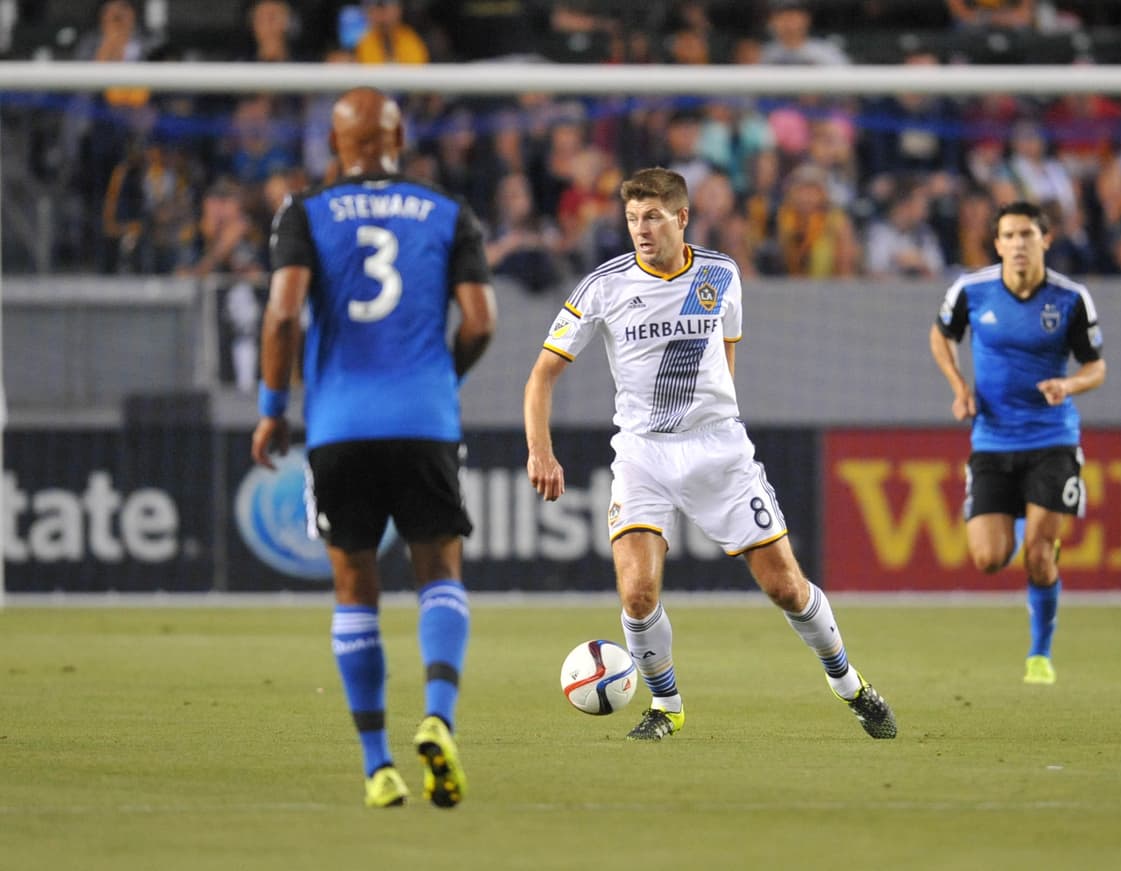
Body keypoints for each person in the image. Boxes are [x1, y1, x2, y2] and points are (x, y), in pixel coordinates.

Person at [523, 167, 896, 742]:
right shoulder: (604, 285)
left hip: (718, 450)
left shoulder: (722, 275)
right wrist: (540, 451)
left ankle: (851, 687)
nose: (640, 230)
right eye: (631, 219)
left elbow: (726, 353)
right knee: (637, 591)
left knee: (787, 589)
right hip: (643, 453)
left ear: (681, 217)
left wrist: (720, 424)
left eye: (651, 217)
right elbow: (542, 374)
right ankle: (666, 706)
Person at [250, 87, 497, 807]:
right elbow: (482, 320)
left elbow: (282, 311)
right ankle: (439, 717)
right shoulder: (448, 211)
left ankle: (377, 765)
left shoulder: (306, 211)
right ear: (400, 139)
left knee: (355, 585)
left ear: (336, 144)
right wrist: (439, 376)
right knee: (439, 568)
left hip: (339, 424)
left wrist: (271, 410)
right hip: (423, 418)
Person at [929, 201, 1106, 686]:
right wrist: (959, 388)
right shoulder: (972, 289)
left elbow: (1096, 366)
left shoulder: (1071, 299)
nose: (1018, 244)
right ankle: (1031, 519)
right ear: (997, 243)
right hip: (991, 439)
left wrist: (1068, 387)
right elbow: (941, 336)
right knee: (988, 558)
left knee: (1039, 557)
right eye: (1009, 235)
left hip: (1052, 438)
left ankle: (1039, 655)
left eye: (1027, 234)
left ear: (1045, 240)